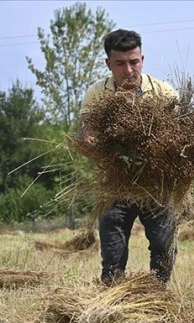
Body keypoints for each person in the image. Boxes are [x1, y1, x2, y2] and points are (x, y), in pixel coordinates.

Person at [76, 29, 179, 286]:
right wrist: (97, 145)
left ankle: (157, 293)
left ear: (142, 60)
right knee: (112, 248)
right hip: (115, 184)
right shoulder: (98, 94)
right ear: (108, 64)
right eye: (120, 64)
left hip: (157, 184)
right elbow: (85, 133)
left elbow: (182, 135)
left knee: (162, 243)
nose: (129, 70)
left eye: (134, 62)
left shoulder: (163, 92)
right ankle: (113, 295)